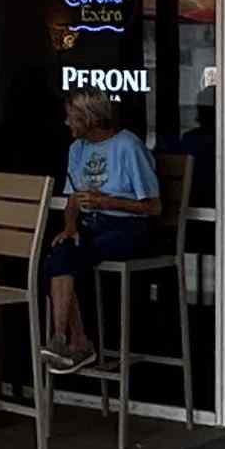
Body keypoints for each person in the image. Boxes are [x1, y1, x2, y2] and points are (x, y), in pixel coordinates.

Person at [42, 91, 159, 370]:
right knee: (59, 252)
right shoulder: (77, 149)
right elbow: (73, 199)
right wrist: (70, 226)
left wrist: (106, 202)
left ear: (90, 118)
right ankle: (65, 340)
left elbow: (153, 207)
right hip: (91, 223)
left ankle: (78, 344)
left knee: (69, 258)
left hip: (128, 226)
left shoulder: (128, 145)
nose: (67, 123)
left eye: (72, 117)